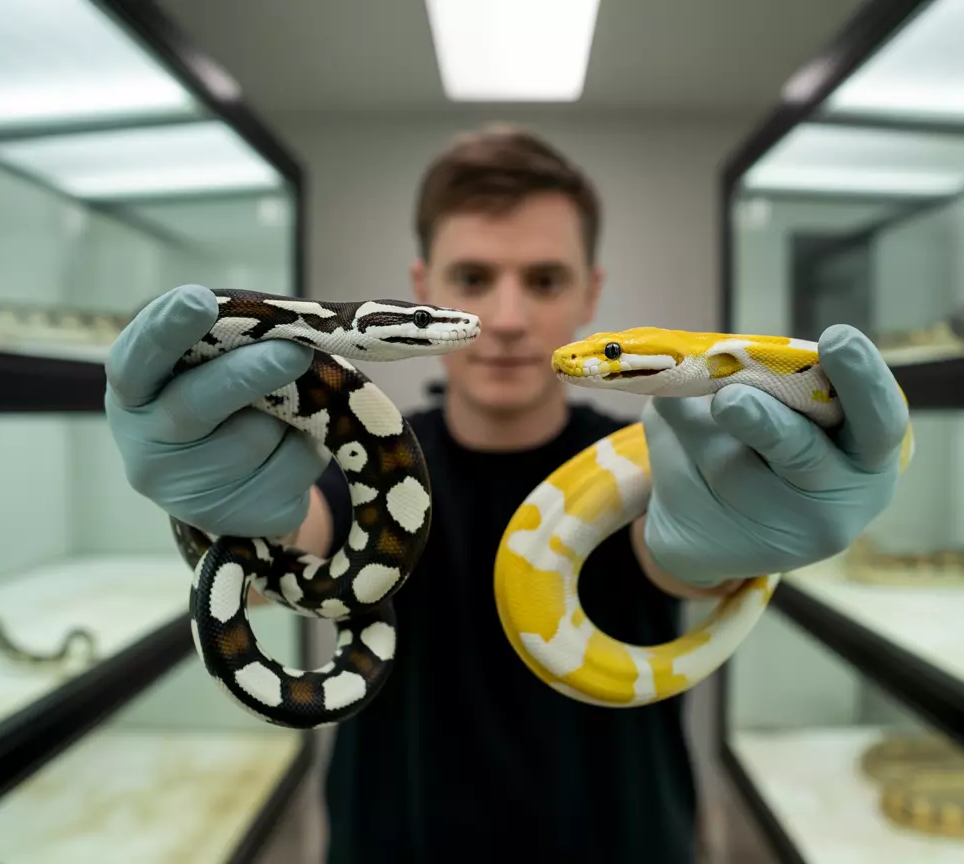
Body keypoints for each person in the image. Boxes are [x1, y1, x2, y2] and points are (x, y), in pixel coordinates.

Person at [104, 125, 908, 862]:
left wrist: (735, 551)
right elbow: (302, 540)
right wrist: (218, 516)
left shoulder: (664, 451)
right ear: (425, 288)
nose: (509, 317)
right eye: (475, 278)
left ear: (590, 295)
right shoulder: (350, 462)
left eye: (546, 279)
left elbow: (680, 560)